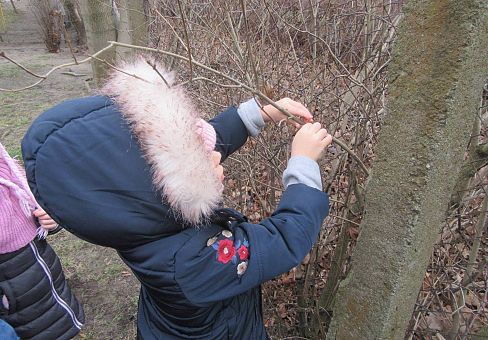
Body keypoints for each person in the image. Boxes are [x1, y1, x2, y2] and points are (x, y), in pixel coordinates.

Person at [21, 57, 332, 339]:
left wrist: (261, 113)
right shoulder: (190, 262)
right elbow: (286, 238)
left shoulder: (136, 218)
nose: (211, 156)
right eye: (196, 162)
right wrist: (303, 163)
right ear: (161, 192)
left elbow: (206, 140)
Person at [0, 142, 84, 339]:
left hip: (41, 271)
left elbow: (27, 200)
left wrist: (50, 218)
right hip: (14, 298)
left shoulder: (4, 162)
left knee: (53, 318)